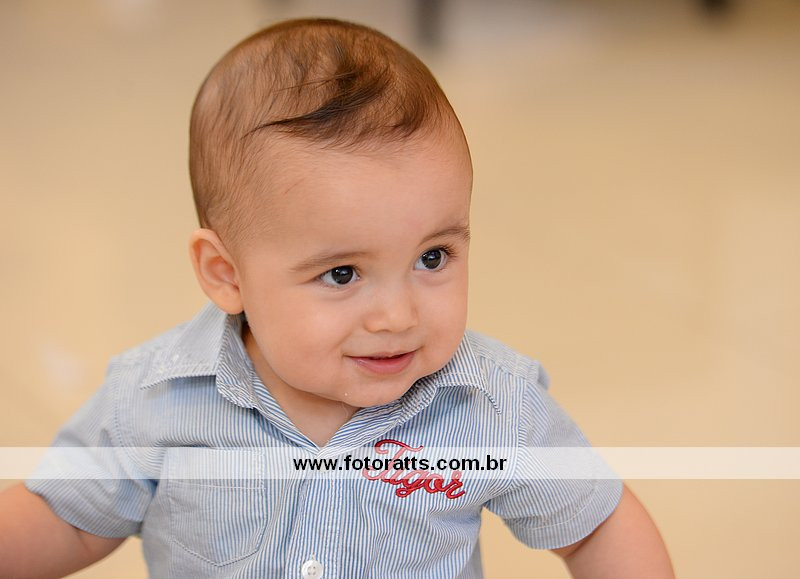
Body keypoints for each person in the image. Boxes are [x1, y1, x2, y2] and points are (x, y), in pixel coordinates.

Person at [0, 18, 674, 578]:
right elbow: (66, 519)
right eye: (343, 274)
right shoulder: (158, 400)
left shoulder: (488, 405)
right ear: (226, 273)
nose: (398, 316)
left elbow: (597, 526)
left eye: (432, 257)